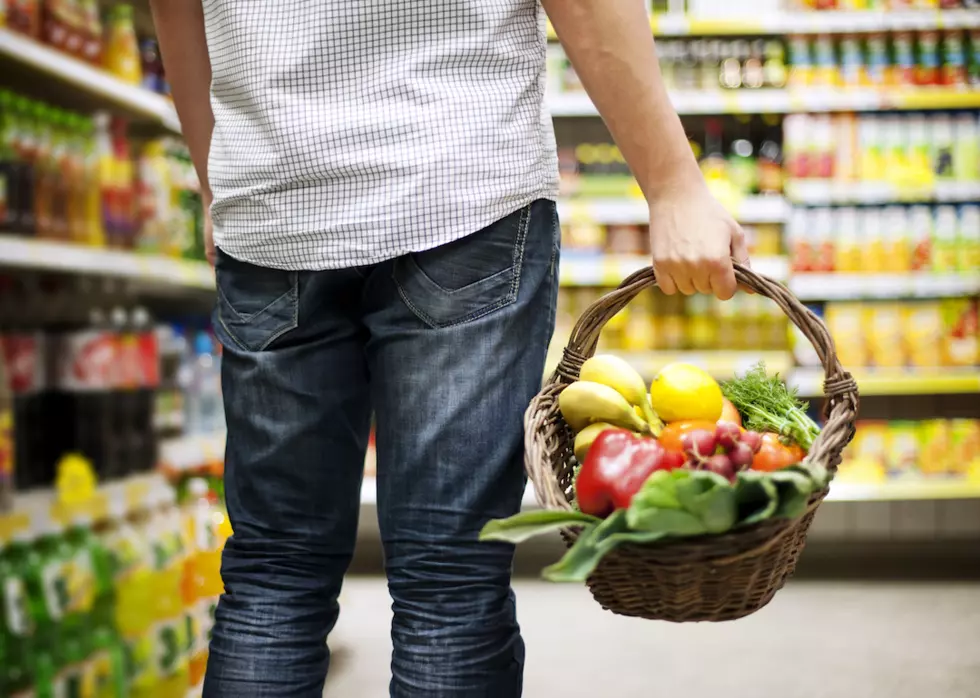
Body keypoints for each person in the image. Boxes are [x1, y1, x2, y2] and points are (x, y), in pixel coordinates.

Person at [150, 1, 751, 696]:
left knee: (273, 574)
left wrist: (213, 181)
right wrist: (673, 183)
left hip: (271, 208)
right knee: (449, 579)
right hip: (457, 189)